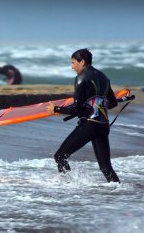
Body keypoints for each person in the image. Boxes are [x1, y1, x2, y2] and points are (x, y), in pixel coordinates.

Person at [46, 48, 120, 183]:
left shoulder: (81, 78)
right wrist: (97, 107)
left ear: (82, 62)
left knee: (60, 156)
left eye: (74, 63)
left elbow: (77, 108)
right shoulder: (104, 77)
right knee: (106, 167)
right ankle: (119, 192)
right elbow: (113, 103)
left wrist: (56, 109)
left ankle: (68, 185)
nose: (72, 67)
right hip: (103, 126)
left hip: (89, 126)